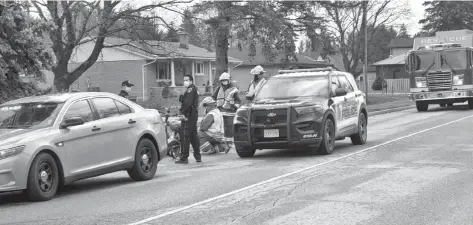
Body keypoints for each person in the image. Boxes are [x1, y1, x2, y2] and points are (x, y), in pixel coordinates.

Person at [212, 72, 241, 151]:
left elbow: (238, 100)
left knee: (229, 127)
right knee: (220, 128)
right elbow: (213, 98)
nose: (224, 82)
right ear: (221, 81)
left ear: (229, 81)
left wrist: (235, 106)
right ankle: (222, 143)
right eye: (223, 80)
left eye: (226, 80)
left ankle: (229, 143)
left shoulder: (233, 89)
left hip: (230, 111)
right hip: (220, 111)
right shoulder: (218, 89)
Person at [176, 75, 201, 164]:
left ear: (191, 81)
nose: (185, 82)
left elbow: (187, 103)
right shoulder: (194, 89)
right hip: (193, 115)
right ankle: (198, 156)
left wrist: (182, 112)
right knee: (193, 135)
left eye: (187, 80)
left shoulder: (191, 89)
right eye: (184, 80)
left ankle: (184, 157)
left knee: (186, 136)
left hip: (188, 115)